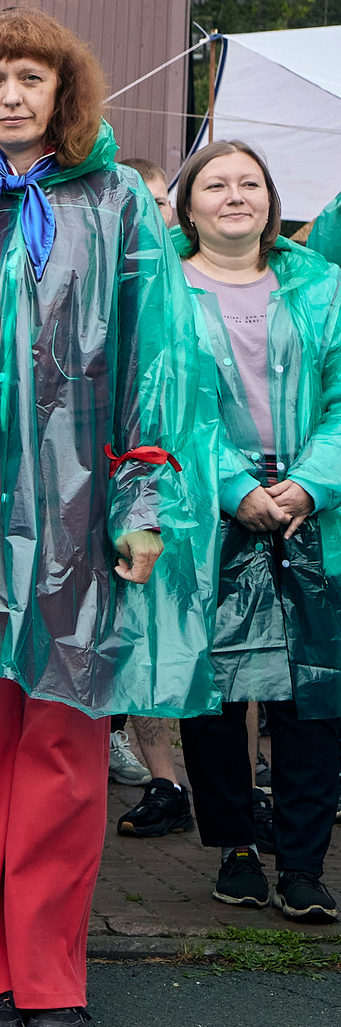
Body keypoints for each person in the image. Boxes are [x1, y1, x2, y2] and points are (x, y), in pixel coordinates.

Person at [0, 10, 217, 1027]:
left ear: (63, 90)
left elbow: (152, 358)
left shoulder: (115, 202)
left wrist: (139, 503)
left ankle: (49, 976)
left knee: (67, 753)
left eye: (29, 76)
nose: (10, 95)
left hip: (80, 523)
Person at [175, 140, 339, 922]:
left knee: (313, 695)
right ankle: (236, 846)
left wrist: (311, 482)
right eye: (216, 183)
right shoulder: (163, 291)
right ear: (188, 204)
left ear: (273, 201)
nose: (235, 194)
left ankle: (304, 863)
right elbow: (165, 409)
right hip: (211, 514)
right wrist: (234, 487)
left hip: (314, 512)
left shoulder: (323, 287)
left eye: (251, 182)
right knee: (213, 691)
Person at [112, 154, 195, 826]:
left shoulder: (196, 276)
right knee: (143, 636)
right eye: (144, 198)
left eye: (164, 200)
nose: (155, 211)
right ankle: (166, 780)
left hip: (200, 481)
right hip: (139, 483)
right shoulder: (120, 279)